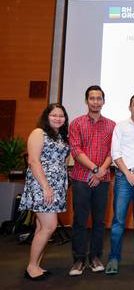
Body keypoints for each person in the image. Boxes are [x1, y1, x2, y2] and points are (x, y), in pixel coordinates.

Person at [19, 103, 70, 280]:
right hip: (42, 185)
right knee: (49, 226)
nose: (58, 118)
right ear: (46, 117)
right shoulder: (38, 133)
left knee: (42, 227)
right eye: (54, 115)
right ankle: (32, 267)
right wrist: (46, 187)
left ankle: (36, 265)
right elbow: (33, 161)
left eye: (61, 116)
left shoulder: (60, 136)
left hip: (55, 186)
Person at [68, 85, 115, 276]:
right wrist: (95, 170)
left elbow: (113, 152)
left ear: (103, 101)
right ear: (86, 101)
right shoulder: (77, 123)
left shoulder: (112, 125)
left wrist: (101, 171)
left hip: (102, 180)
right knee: (80, 220)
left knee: (99, 220)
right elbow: (76, 150)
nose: (95, 101)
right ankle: (78, 259)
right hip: (80, 179)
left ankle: (95, 257)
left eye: (99, 98)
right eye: (92, 98)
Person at [105, 94, 134, 274]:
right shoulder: (120, 126)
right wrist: (128, 174)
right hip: (123, 178)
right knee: (118, 221)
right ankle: (114, 258)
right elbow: (115, 153)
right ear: (130, 107)